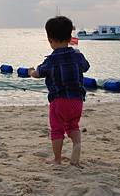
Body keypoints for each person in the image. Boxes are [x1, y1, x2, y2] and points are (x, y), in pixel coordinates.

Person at [28, 16, 90, 166]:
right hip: (77, 101)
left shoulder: (50, 60)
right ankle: (76, 145)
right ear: (69, 38)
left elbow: (38, 73)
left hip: (58, 102)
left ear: (50, 40)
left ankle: (57, 159)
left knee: (57, 129)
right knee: (73, 125)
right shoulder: (77, 55)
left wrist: (31, 72)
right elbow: (86, 67)